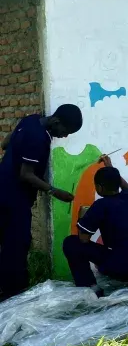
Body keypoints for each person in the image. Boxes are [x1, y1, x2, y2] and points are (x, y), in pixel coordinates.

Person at [0, 104, 82, 301]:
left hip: (3, 186)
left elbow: (5, 144)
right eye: (66, 131)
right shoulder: (39, 138)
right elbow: (26, 174)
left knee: (7, 241)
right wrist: (54, 191)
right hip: (14, 196)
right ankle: (13, 295)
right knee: (18, 244)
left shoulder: (30, 120)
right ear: (56, 121)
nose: (64, 136)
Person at [62, 155, 128, 298]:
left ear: (99, 188)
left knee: (71, 243)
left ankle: (90, 287)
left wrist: (83, 218)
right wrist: (110, 169)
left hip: (121, 264)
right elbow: (125, 186)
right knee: (123, 249)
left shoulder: (101, 206)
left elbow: (83, 239)